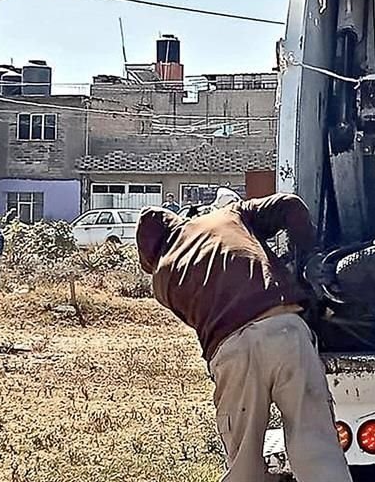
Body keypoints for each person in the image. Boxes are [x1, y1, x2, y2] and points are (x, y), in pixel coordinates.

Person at [136, 193, 353, 482]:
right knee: (316, 442)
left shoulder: (162, 281)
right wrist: (308, 257)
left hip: (231, 350)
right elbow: (289, 204)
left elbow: (204, 318)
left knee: (243, 460)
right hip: (284, 327)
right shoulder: (227, 216)